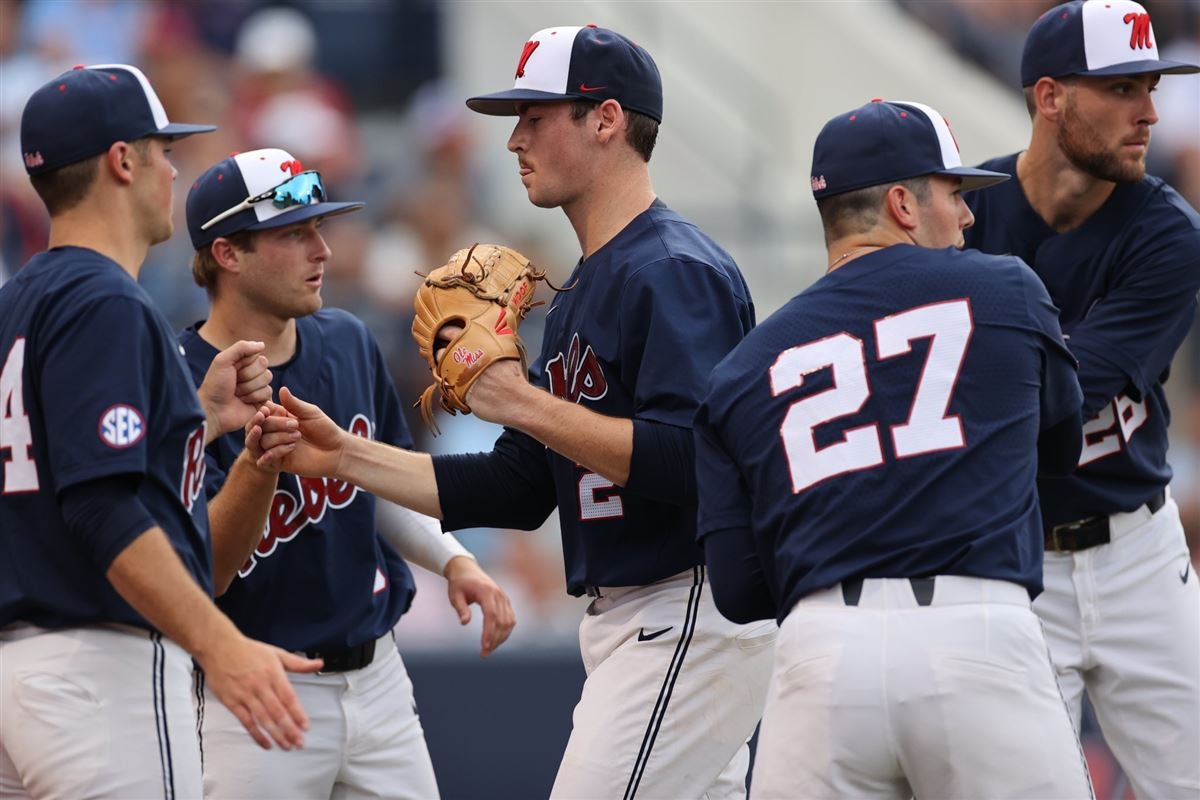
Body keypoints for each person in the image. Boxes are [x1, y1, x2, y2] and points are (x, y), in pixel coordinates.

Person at [252, 25, 777, 799]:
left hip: (686, 603)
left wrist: (520, 401)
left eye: (536, 117)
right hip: (642, 614)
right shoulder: (579, 293)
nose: (514, 140)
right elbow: (520, 487)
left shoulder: (670, 269)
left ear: (605, 120)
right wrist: (344, 458)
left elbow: (695, 462)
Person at [693, 98, 1095, 799]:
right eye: (954, 194)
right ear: (904, 204)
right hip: (976, 635)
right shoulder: (1006, 289)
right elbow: (1061, 449)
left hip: (819, 659)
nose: (969, 215)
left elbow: (737, 588)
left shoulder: (740, 370)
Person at [0, 64, 320, 800]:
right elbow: (100, 507)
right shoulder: (107, 299)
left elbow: (49, 473)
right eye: (163, 151)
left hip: (20, 673)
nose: (175, 170)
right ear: (122, 161)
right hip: (98, 674)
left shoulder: (18, 301)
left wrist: (198, 420)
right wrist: (222, 646)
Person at [180, 147, 516, 799]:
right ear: (227, 253)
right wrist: (255, 464)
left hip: (378, 678)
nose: (322, 250)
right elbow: (207, 567)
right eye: (293, 233)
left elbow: (379, 483)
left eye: (319, 228)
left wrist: (454, 561)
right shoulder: (178, 381)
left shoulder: (347, 340)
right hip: (253, 690)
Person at [963, 3, 1200, 797]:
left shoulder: (1168, 232)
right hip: (1012, 564)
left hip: (1138, 553)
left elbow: (1067, 391)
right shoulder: (964, 216)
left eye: (1151, 86)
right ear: (1050, 96)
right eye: (1123, 88)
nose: (1150, 112)